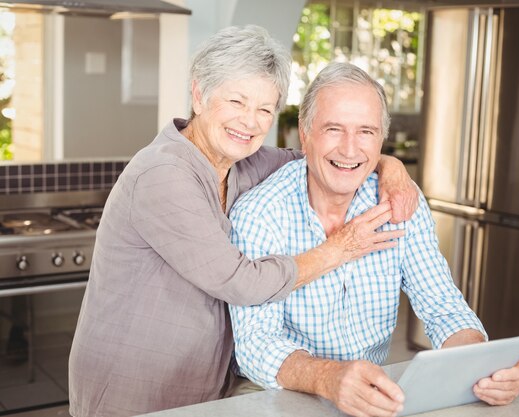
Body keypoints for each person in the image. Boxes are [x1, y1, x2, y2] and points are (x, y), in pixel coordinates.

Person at [67, 26, 418, 417]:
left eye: (265, 109)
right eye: (237, 101)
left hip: (205, 382)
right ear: (199, 95)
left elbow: (327, 158)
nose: (250, 122)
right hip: (133, 383)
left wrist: (390, 164)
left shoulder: (246, 162)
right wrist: (339, 248)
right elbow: (242, 281)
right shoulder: (163, 173)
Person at [229, 62, 519, 417]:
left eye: (366, 132)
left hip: (365, 396)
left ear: (381, 140)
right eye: (334, 129)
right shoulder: (260, 213)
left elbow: (442, 306)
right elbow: (255, 341)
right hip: (274, 393)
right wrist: (329, 378)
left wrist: (483, 364)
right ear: (305, 134)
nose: (350, 149)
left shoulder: (400, 203)